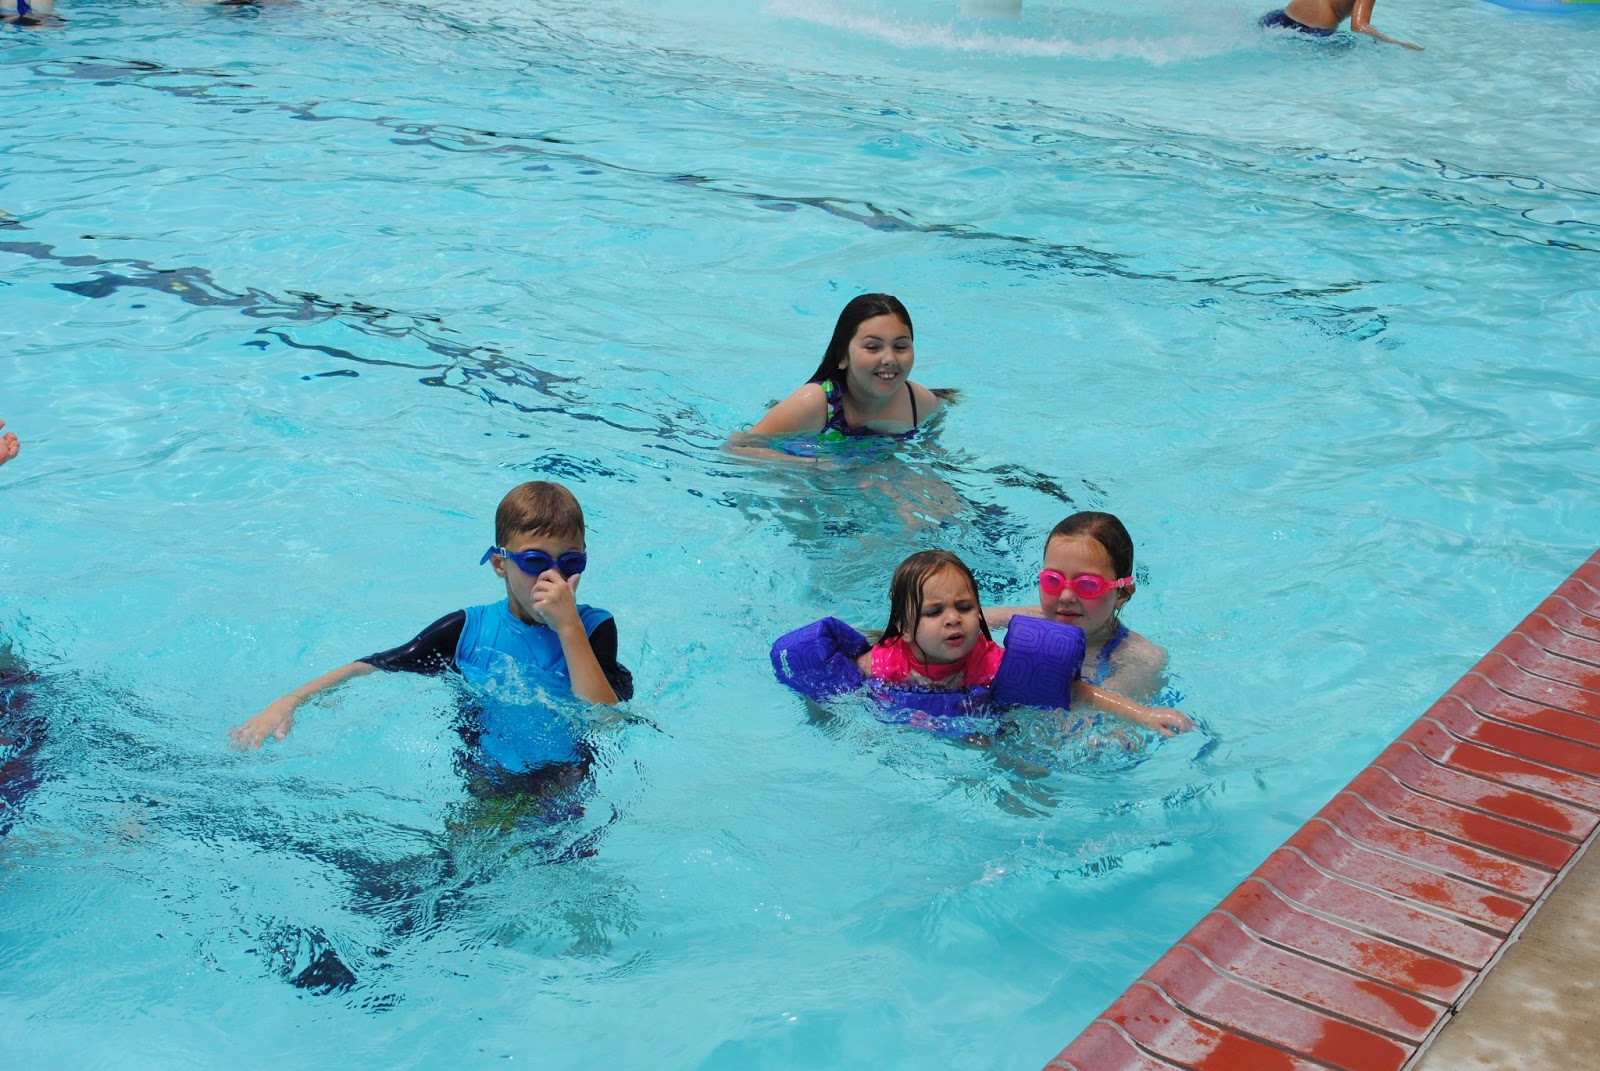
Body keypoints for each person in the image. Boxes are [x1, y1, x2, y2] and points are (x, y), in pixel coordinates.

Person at [229, 481, 633, 785]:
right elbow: (375, 665)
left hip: (567, 779)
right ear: (499, 564)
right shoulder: (467, 630)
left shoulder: (594, 629)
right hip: (486, 774)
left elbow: (603, 720)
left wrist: (569, 628)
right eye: (533, 561)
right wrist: (289, 701)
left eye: (571, 563)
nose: (553, 578)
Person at [773, 549, 1192, 738]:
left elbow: (1078, 691)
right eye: (934, 612)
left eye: (964, 607)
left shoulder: (993, 664)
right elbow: (847, 690)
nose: (953, 619)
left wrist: (1142, 714)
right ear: (903, 628)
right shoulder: (885, 662)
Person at [987, 512, 1174, 707]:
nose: (1066, 597)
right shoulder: (1030, 618)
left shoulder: (1140, 660)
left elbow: (1094, 722)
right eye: (1052, 580)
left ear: (1122, 594)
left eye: (1087, 585)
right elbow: (968, 619)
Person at [727, 293, 944, 456]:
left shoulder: (921, 404)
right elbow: (736, 448)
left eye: (900, 346)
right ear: (843, 356)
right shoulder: (814, 403)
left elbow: (931, 451)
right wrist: (814, 466)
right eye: (872, 347)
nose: (889, 359)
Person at [1259, 0, 1422, 49]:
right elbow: (1359, 27)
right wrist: (1395, 42)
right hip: (1315, 31)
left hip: (1283, 16)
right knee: (1350, 48)